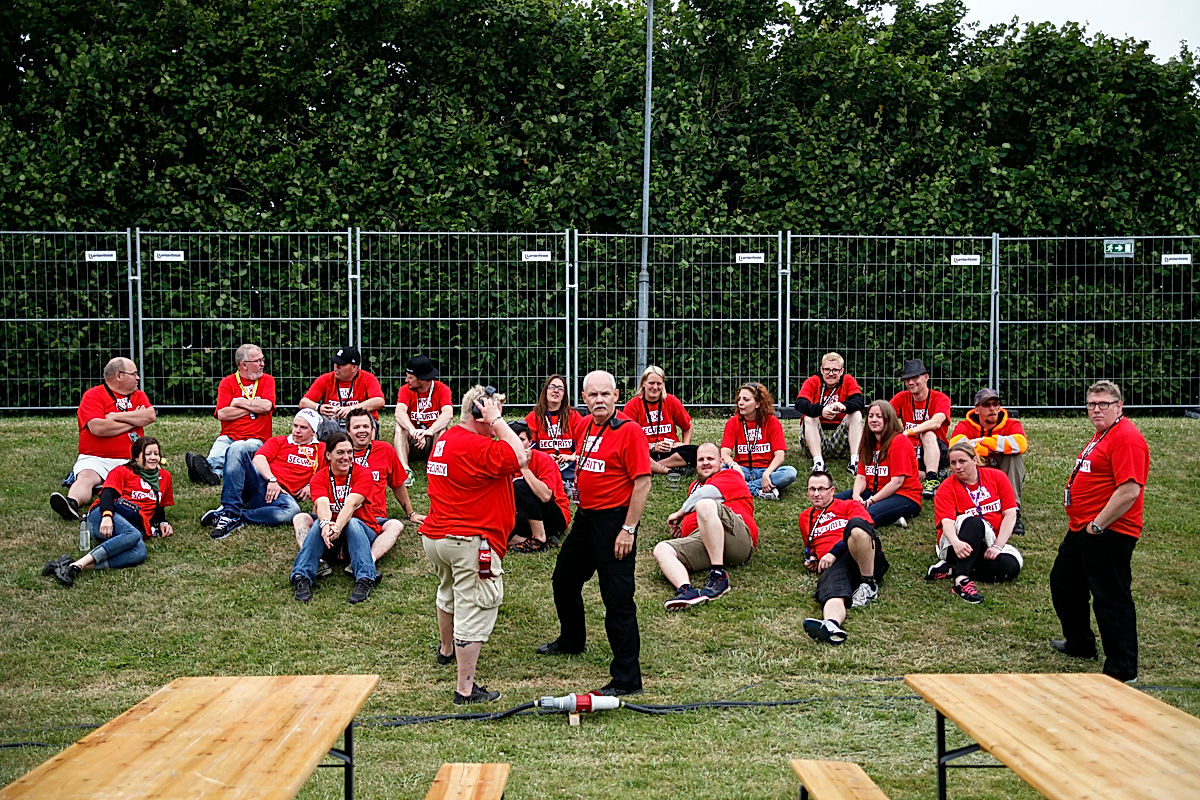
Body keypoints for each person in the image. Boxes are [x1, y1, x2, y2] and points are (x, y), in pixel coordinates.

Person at [538, 370, 651, 697]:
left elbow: (642, 483)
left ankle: (627, 678)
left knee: (617, 599)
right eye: (592, 395)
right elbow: (595, 459)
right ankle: (572, 640)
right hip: (586, 519)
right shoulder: (586, 425)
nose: (599, 400)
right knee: (564, 578)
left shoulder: (629, 431)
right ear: (584, 399)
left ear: (616, 396)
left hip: (615, 523)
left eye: (605, 394)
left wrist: (628, 529)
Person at [419, 385, 527, 704]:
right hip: (468, 540)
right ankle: (465, 689)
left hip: (439, 537)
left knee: (448, 592)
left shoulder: (449, 438)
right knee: (476, 606)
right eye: (495, 411)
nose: (501, 418)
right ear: (480, 411)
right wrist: (496, 421)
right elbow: (520, 456)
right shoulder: (479, 447)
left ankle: (446, 650)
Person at [1050, 381, 1149, 684]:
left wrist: (1098, 525)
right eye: (1092, 404)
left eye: (1104, 404)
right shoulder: (1103, 435)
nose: (1096, 409)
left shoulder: (1127, 438)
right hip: (1082, 528)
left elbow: (1129, 490)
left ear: (1119, 407)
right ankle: (1080, 643)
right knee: (1064, 582)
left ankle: (1122, 668)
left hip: (1108, 531)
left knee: (1110, 597)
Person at [43, 437, 173, 587]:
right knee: (134, 535)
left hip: (131, 524)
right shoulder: (123, 471)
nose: (153, 457)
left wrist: (163, 522)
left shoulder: (165, 478)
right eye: (148, 453)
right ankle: (76, 566)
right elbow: (107, 494)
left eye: (156, 454)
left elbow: (159, 505)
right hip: (103, 515)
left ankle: (73, 565)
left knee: (140, 552)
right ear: (136, 456)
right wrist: (107, 517)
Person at [50, 357, 156, 522]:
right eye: (133, 374)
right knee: (85, 477)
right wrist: (133, 421)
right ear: (118, 375)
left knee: (135, 484)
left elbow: (150, 415)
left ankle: (116, 500)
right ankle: (71, 503)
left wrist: (115, 417)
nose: (138, 378)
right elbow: (98, 428)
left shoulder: (138, 395)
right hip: (96, 459)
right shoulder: (93, 395)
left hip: (130, 460)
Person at [654, 442, 758, 610]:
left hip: (737, 540)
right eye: (701, 459)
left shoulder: (731, 476)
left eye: (711, 458)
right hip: (708, 544)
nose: (705, 463)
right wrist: (686, 531)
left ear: (721, 462)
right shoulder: (694, 487)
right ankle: (686, 590)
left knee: (704, 504)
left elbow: (706, 496)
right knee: (662, 549)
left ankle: (718, 575)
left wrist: (680, 513)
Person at [289, 432, 383, 605]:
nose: (346, 457)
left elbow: (352, 504)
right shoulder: (319, 477)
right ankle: (302, 576)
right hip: (330, 536)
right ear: (328, 455)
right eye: (340, 452)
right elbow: (322, 504)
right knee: (317, 522)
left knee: (352, 521)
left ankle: (365, 578)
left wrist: (337, 527)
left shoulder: (363, 474)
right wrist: (325, 525)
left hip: (360, 532)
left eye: (349, 452)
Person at [203, 408, 325, 540]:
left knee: (292, 511)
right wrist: (272, 480)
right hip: (258, 482)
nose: (297, 430)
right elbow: (259, 459)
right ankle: (230, 511)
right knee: (237, 447)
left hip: (281, 495)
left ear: (313, 431)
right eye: (295, 426)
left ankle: (236, 515)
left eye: (303, 427)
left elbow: (327, 474)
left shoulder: (322, 449)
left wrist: (310, 485)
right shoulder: (279, 441)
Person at [925, 442, 1023, 605]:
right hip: (954, 543)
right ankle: (961, 581)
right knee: (974, 522)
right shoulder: (946, 487)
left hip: (988, 541)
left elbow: (1010, 514)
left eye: (962, 461)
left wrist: (997, 546)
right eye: (953, 463)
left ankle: (950, 570)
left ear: (975, 460)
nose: (957, 467)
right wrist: (956, 543)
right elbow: (947, 522)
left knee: (1011, 566)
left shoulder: (997, 477)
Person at [798, 470, 888, 645]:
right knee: (832, 591)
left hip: (863, 553)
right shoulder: (805, 517)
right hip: (836, 564)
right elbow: (813, 546)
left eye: (821, 489)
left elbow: (866, 529)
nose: (816, 494)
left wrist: (834, 552)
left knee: (855, 527)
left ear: (832, 490)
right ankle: (831, 625)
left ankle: (868, 584)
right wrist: (814, 559)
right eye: (812, 489)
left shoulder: (849, 505)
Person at [185, 343, 276, 486]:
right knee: (220, 448)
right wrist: (253, 407)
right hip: (228, 436)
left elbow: (266, 406)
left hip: (256, 439)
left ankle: (204, 467)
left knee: (239, 448)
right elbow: (222, 413)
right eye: (257, 361)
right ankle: (213, 475)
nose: (262, 364)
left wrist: (238, 402)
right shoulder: (227, 382)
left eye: (262, 360)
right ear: (244, 365)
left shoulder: (267, 380)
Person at [950, 388, 1028, 533]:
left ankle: (1014, 511)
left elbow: (1021, 444)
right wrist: (987, 450)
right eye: (986, 405)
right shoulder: (964, 426)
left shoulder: (1012, 424)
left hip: (1004, 471)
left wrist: (984, 442)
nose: (992, 408)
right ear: (977, 410)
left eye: (995, 404)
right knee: (963, 458)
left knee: (1013, 457)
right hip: (979, 471)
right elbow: (955, 446)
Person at [837, 400, 922, 529]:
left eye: (879, 416)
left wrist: (871, 501)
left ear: (889, 419)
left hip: (904, 495)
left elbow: (897, 482)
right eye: (871, 416)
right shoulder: (867, 442)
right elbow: (861, 476)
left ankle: (889, 513)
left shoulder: (899, 441)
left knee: (865, 515)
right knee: (832, 503)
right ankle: (892, 516)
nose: (874, 420)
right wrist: (856, 496)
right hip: (873, 491)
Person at [719, 382, 798, 500]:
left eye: (746, 400)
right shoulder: (733, 422)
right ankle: (759, 489)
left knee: (790, 472)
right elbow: (724, 453)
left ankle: (741, 489)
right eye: (739, 399)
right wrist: (734, 465)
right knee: (719, 469)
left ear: (757, 404)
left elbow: (780, 455)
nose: (740, 403)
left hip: (765, 470)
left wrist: (767, 473)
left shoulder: (772, 421)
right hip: (742, 470)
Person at [794, 352, 865, 475]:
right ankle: (818, 463)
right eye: (827, 369)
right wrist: (821, 410)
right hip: (816, 436)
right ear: (821, 369)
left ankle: (854, 462)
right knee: (809, 417)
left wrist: (844, 406)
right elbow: (800, 403)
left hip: (840, 440)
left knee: (856, 414)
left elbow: (859, 402)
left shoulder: (848, 380)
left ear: (841, 371)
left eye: (835, 370)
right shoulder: (812, 381)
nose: (831, 373)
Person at [890, 358, 952, 498]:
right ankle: (937, 474)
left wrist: (909, 432)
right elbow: (885, 416)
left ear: (926, 377)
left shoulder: (940, 398)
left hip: (936, 449)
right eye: (907, 379)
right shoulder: (901, 397)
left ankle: (931, 479)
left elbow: (936, 422)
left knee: (927, 434)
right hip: (910, 451)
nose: (910, 383)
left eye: (915, 378)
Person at [507, 421, 571, 553]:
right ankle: (545, 541)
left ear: (530, 442)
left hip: (553, 514)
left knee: (520, 484)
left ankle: (539, 539)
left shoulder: (543, 459)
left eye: (521, 440)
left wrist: (525, 469)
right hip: (523, 515)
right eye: (512, 439)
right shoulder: (503, 461)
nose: (517, 444)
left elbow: (545, 496)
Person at [622, 365, 697, 475]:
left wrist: (684, 444)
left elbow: (688, 427)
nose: (655, 387)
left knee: (698, 452)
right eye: (651, 383)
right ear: (643, 383)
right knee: (629, 454)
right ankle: (670, 468)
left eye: (659, 384)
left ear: (663, 385)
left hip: (671, 451)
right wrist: (652, 447)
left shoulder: (671, 401)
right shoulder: (632, 405)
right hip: (645, 451)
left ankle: (654, 466)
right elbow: (627, 438)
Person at [298, 345, 385, 438]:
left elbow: (379, 401)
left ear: (354, 367)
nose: (336, 367)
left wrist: (351, 409)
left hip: (358, 422)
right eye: (335, 363)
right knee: (314, 422)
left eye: (341, 364)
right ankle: (313, 450)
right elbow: (303, 403)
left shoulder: (368, 378)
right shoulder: (325, 378)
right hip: (332, 423)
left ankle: (370, 451)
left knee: (366, 421)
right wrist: (319, 407)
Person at [393, 355, 454, 484]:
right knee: (399, 426)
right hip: (412, 441)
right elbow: (399, 412)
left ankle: (435, 466)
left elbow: (448, 414)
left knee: (442, 429)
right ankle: (405, 469)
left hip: (432, 441)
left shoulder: (442, 389)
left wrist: (430, 431)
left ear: (422, 379)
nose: (406, 380)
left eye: (410, 378)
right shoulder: (405, 390)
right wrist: (412, 430)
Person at [524, 373, 583, 495]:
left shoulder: (573, 416)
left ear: (564, 394)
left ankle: (567, 485)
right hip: (544, 463)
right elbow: (527, 446)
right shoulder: (534, 416)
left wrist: (572, 456)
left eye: (560, 388)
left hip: (569, 463)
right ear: (546, 391)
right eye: (552, 387)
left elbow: (585, 442)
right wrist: (544, 458)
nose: (556, 391)